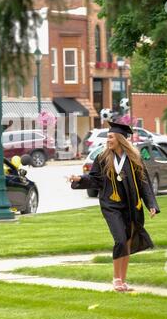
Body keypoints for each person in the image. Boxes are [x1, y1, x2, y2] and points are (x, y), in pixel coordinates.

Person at [68, 121, 159, 292]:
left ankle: (122, 281)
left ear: (120, 139)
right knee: (120, 240)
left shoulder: (134, 159)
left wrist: (151, 204)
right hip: (111, 205)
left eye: (110, 137)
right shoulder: (102, 158)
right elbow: (95, 179)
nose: (107, 140)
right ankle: (116, 279)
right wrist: (80, 179)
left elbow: (144, 183)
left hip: (132, 205)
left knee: (128, 241)